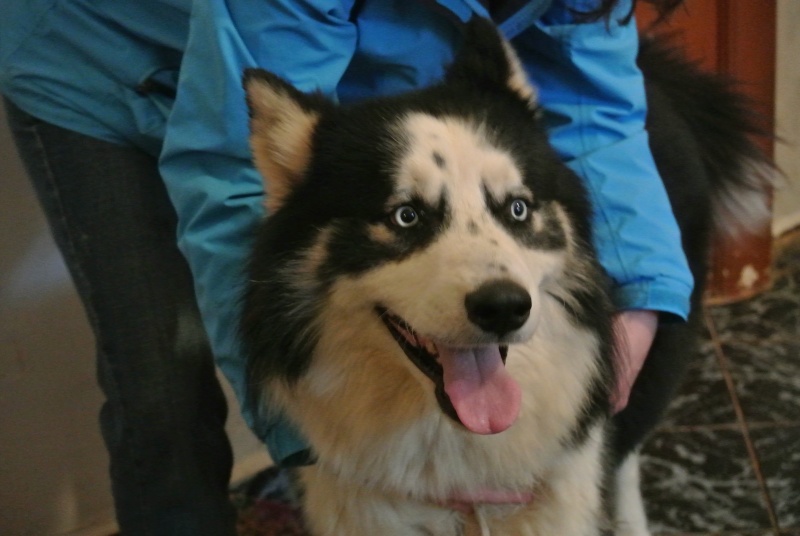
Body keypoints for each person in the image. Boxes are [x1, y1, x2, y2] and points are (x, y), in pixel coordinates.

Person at [0, 0, 691, 533]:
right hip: (98, 56)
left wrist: (643, 298)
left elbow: (597, 115)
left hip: (269, 40)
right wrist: (313, 438)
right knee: (161, 375)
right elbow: (239, 175)